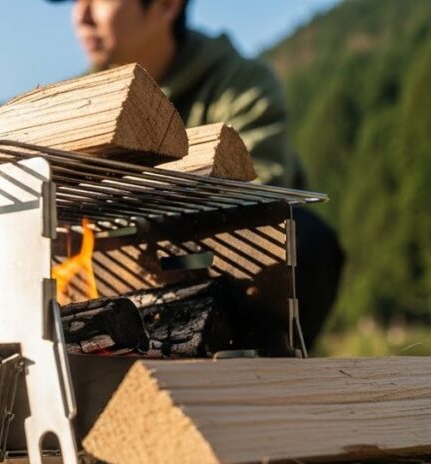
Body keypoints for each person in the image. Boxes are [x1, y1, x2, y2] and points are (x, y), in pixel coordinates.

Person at [59, 0, 344, 348]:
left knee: (305, 237)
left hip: (214, 273)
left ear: (166, 5)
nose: (81, 15)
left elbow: (259, 187)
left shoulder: (239, 85)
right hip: (112, 272)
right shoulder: (77, 104)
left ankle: (254, 365)